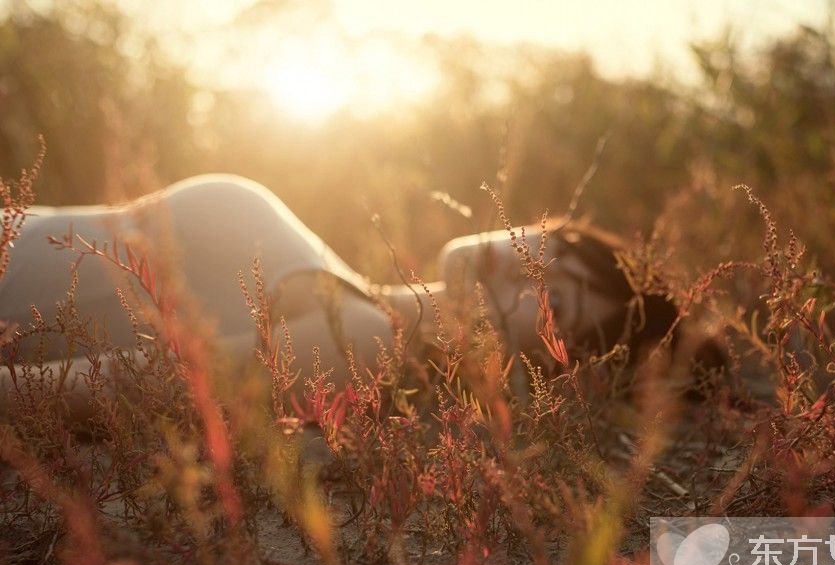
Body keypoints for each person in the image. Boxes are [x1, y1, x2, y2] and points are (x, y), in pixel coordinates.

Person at [0, 175, 712, 414]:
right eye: (563, 247)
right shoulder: (339, 280)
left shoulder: (362, 340)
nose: (533, 267)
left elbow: (98, 386)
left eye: (561, 302)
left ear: (557, 368)